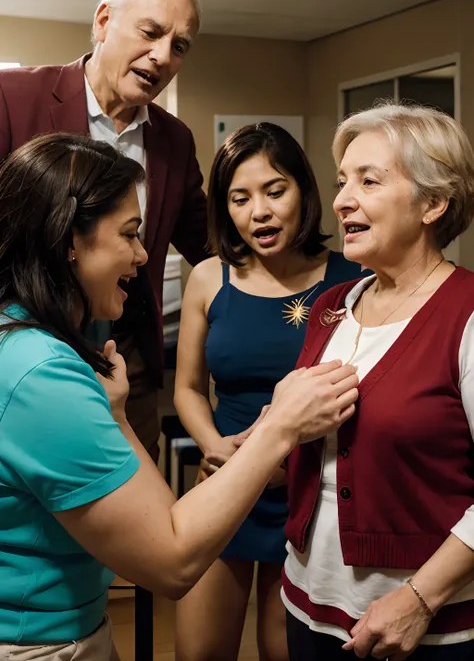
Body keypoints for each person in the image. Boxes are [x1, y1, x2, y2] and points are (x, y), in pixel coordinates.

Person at [0, 132, 359, 661]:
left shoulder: (26, 345)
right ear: (68, 241)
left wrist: (117, 417)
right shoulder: (43, 374)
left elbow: (160, 519)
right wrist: (277, 429)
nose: (144, 255)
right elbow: (171, 560)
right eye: (130, 234)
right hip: (41, 642)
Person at [282, 102, 474, 661]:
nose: (342, 200)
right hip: (306, 603)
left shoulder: (465, 314)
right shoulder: (330, 306)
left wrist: (418, 598)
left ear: (433, 203)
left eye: (369, 180)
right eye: (343, 181)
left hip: (421, 628)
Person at [173, 123, 369, 661]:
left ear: (304, 191)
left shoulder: (352, 278)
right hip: (225, 484)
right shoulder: (210, 278)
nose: (258, 211)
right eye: (240, 198)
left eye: (274, 191)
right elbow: (188, 389)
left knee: (283, 650)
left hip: (311, 493)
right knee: (199, 651)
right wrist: (213, 444)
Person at [0, 0, 208, 459]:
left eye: (179, 46)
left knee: (138, 516)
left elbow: (211, 244)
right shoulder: (13, 98)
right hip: (26, 352)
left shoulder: (174, 141)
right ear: (102, 21)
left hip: (124, 364)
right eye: (150, 32)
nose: (161, 56)